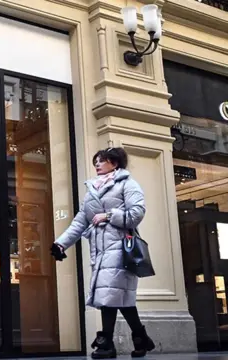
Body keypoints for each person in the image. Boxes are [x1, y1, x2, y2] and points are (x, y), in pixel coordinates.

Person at [50, 147, 154, 359]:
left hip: (121, 249)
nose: (97, 164)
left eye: (101, 161)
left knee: (109, 296)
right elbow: (80, 222)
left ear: (114, 163)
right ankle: (141, 338)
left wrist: (108, 215)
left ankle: (106, 344)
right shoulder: (92, 191)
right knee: (118, 297)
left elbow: (137, 213)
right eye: (95, 161)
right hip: (100, 251)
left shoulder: (128, 184)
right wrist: (61, 243)